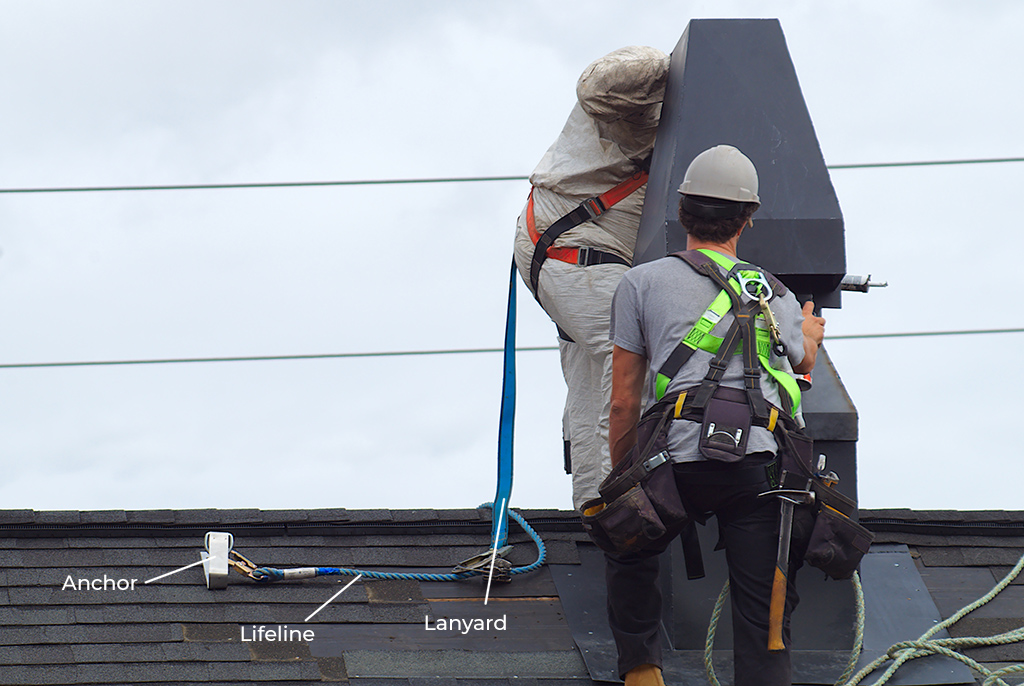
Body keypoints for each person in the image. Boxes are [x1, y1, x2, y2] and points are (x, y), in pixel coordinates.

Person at [605, 145, 826, 686]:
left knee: (628, 543)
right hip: (758, 469)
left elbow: (623, 399)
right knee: (765, 614)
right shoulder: (775, 292)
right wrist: (811, 337)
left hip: (673, 463)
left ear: (682, 212)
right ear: (745, 221)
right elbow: (798, 366)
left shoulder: (640, 283)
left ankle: (641, 669)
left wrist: (624, 479)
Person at [514, 45, 670, 510]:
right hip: (574, 251)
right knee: (628, 363)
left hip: (570, 253)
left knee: (591, 378)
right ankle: (625, 501)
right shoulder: (631, 101)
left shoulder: (674, 127)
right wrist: (664, 71)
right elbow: (598, 85)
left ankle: (596, 507)